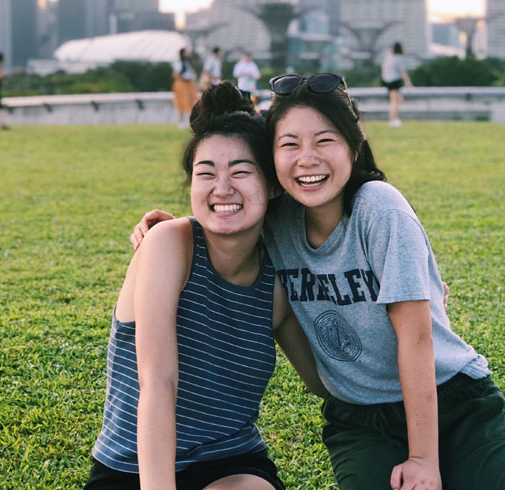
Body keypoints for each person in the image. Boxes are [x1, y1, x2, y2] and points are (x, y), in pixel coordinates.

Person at [131, 74, 505, 490]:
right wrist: (168, 232)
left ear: (354, 146)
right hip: (360, 416)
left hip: (451, 398)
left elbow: (416, 335)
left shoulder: (379, 207)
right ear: (272, 163)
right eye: (289, 144)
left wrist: (425, 460)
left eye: (325, 140)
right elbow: (230, 210)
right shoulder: (277, 221)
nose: (308, 159)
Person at [86, 82, 328, 490]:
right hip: (135, 468)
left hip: (232, 463)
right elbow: (158, 383)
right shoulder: (168, 244)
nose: (223, 188)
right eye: (206, 173)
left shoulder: (276, 282)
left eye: (241, 172)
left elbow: (328, 382)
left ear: (270, 186)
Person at [380, 42, 412, 128]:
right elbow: (403, 72)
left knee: (397, 100)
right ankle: (393, 119)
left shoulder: (388, 56)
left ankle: (394, 119)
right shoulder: (399, 58)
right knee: (394, 101)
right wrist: (408, 82)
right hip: (394, 81)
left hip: (386, 80)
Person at [171, 48, 198, 129]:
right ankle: (181, 121)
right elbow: (175, 75)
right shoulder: (179, 63)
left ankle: (191, 120)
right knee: (182, 101)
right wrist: (183, 77)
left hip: (189, 83)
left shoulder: (188, 62)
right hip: (181, 83)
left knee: (192, 101)